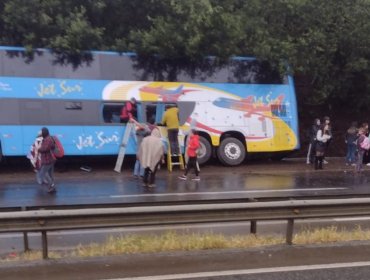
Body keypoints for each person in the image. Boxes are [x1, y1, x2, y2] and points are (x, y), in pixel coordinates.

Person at [37, 127, 57, 193]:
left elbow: (45, 149)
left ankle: (51, 186)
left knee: (43, 174)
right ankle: (53, 187)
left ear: (44, 132)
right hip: (49, 159)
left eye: (41, 132)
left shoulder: (47, 139)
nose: (40, 133)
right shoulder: (48, 138)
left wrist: (38, 149)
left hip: (47, 160)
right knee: (50, 174)